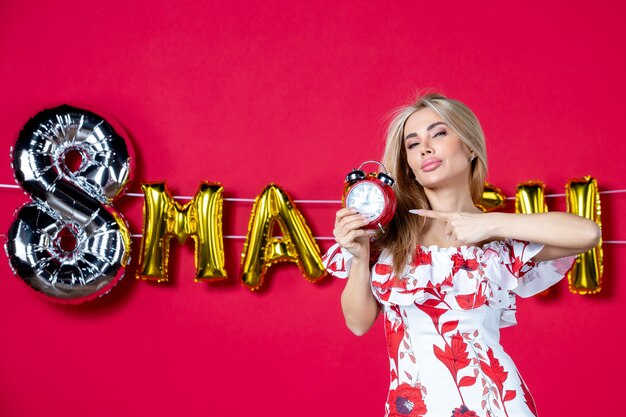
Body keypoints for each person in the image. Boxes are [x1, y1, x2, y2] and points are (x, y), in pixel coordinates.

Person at [321, 93, 601, 417]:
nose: (425, 148)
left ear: (470, 147)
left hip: (498, 405)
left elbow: (588, 233)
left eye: (438, 133)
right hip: (412, 407)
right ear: (409, 167)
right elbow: (357, 323)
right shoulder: (387, 236)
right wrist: (359, 256)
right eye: (413, 144)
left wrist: (488, 223)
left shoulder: (498, 245)